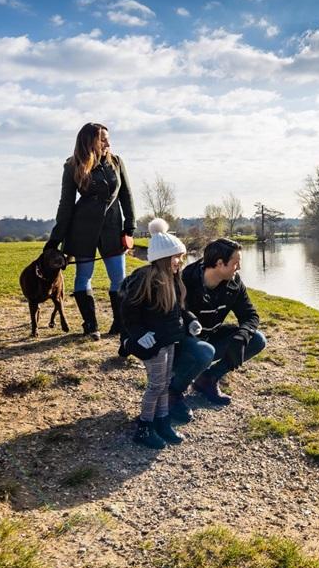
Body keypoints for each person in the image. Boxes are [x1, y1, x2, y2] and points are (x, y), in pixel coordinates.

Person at [119, 219, 214, 449]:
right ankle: (144, 426)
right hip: (153, 344)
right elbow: (128, 313)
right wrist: (140, 335)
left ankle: (162, 421)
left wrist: (190, 321)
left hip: (169, 340)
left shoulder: (172, 279)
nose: (180, 261)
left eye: (181, 257)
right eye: (176, 257)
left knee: (165, 383)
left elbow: (178, 310)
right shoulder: (145, 280)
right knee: (155, 385)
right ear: (163, 258)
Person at [44, 123, 135, 340]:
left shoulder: (116, 162)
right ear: (89, 141)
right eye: (102, 139)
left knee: (119, 278)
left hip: (113, 228)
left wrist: (129, 228)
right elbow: (66, 204)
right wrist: (55, 239)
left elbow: (127, 196)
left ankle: (120, 324)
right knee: (83, 276)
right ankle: (91, 325)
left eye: (108, 138)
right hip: (82, 228)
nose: (108, 143)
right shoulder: (72, 165)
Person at [170, 237, 266, 421]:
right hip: (183, 345)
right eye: (235, 263)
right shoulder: (185, 280)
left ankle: (208, 379)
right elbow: (172, 319)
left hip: (210, 338)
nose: (239, 268)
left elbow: (250, 316)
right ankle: (172, 392)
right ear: (220, 263)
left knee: (257, 339)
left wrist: (241, 338)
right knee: (204, 352)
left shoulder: (234, 282)